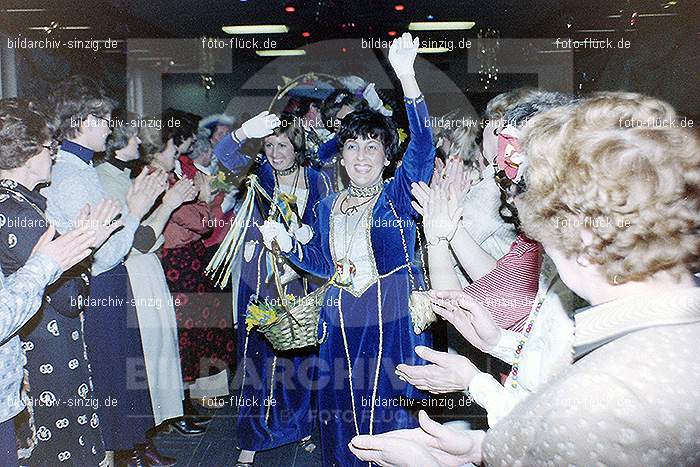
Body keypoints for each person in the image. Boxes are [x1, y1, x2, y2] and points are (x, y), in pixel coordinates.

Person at [350, 92, 700, 466]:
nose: (535, 234)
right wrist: (499, 348)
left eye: (537, 210)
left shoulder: (604, 392)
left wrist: (425, 464)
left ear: (582, 231)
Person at [260, 32, 435, 466]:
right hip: (339, 317)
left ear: (385, 156)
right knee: (341, 411)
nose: (360, 155)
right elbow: (319, 261)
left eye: (371, 146)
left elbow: (424, 147)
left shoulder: (397, 194)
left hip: (391, 317)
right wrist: (287, 246)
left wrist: (408, 80)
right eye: (352, 146)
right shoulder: (325, 205)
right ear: (340, 156)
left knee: (391, 409)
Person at [41, 76, 164, 466]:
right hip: (97, 290)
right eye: (105, 118)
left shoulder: (79, 167)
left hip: (101, 288)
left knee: (116, 385)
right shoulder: (73, 174)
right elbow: (105, 254)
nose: (110, 127)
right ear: (82, 120)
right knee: (110, 386)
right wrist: (135, 210)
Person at [213, 110, 331, 466]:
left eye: (282, 144)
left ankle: (298, 426)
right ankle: (252, 436)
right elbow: (224, 155)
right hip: (260, 277)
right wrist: (243, 132)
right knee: (257, 357)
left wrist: (307, 239)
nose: (276, 153)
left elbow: (325, 231)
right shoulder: (260, 173)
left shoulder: (318, 180)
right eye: (268, 145)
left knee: (299, 357)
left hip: (299, 276)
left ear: (297, 146)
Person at [96, 114, 205, 456]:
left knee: (157, 355)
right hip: (134, 274)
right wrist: (170, 204)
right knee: (144, 361)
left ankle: (144, 441)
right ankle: (138, 446)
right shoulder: (107, 179)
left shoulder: (123, 175)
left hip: (146, 271)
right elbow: (140, 240)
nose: (140, 143)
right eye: (134, 138)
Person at [0, 98, 99, 466]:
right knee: (63, 447)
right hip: (45, 346)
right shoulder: (17, 211)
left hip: (33, 341)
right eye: (48, 147)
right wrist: (86, 250)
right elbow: (69, 298)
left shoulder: (19, 203)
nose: (54, 155)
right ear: (27, 155)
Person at [139, 122, 235, 420]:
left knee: (205, 331)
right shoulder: (160, 180)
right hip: (178, 263)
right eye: (173, 147)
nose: (178, 152)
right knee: (190, 334)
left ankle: (203, 399)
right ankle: (186, 407)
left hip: (189, 259)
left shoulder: (171, 175)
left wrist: (205, 203)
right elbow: (201, 222)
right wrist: (207, 200)